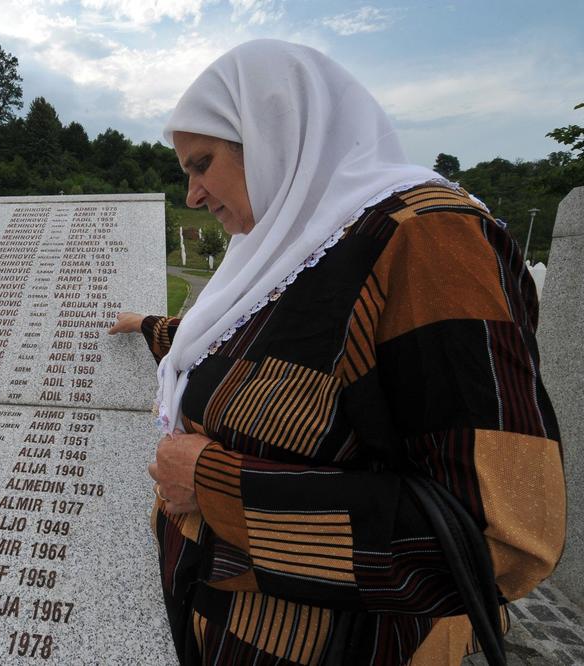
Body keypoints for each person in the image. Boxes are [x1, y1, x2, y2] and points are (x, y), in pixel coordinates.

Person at [109, 40, 565, 665]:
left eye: (203, 163)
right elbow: (246, 350)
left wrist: (215, 485)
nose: (192, 193)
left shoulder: (429, 242)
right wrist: (148, 327)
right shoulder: (286, 246)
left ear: (274, 134)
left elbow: (500, 537)